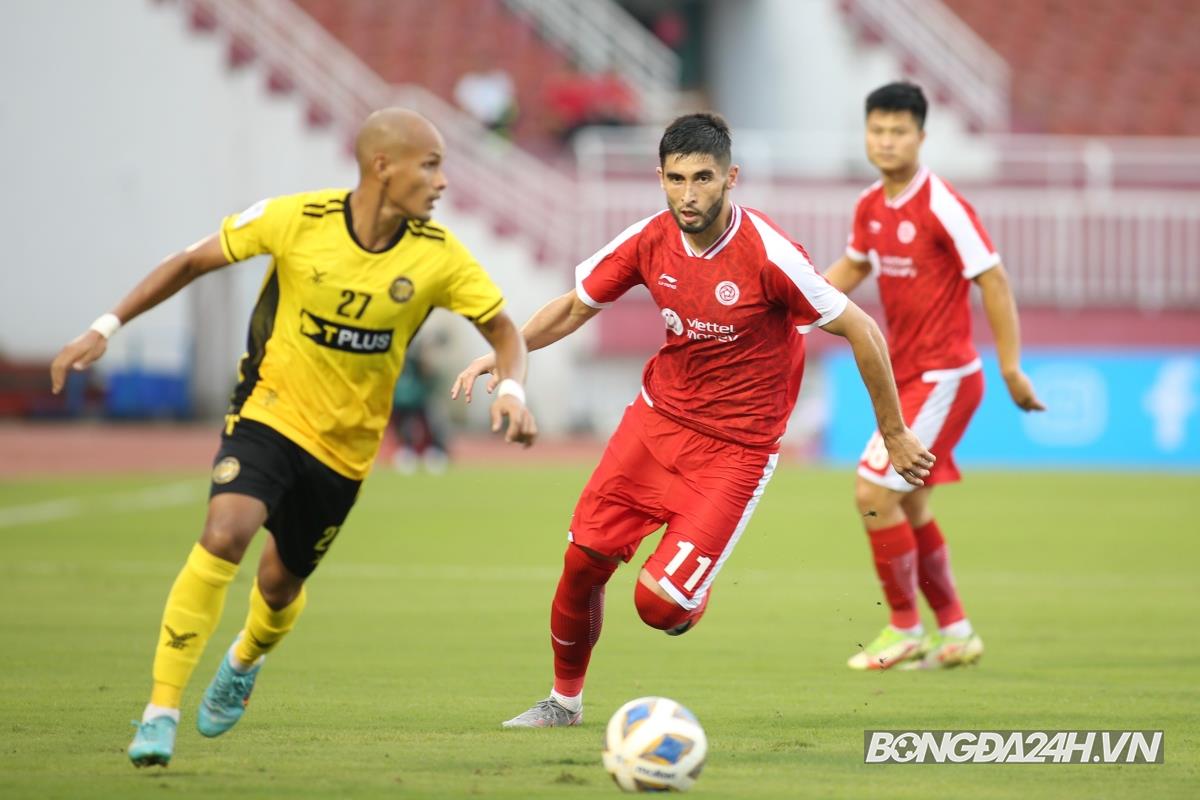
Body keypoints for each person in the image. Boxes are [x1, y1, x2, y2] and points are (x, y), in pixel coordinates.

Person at [49, 108, 537, 767]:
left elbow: (504, 331)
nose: (442, 181)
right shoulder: (297, 219)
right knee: (224, 533)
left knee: (279, 587)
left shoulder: (439, 256)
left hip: (346, 450)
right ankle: (160, 711)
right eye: (430, 166)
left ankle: (244, 659)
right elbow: (191, 261)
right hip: (268, 414)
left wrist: (511, 390)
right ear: (382, 166)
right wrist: (104, 328)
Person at [452, 113, 933, 728]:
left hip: (736, 452)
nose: (688, 194)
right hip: (654, 427)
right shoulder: (649, 240)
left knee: (657, 607)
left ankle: (685, 595)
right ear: (660, 177)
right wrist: (506, 352)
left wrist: (894, 432)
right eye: (676, 179)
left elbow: (862, 329)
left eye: (703, 178)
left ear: (731, 178)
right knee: (582, 563)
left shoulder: (769, 254)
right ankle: (563, 703)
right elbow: (574, 308)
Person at [825, 82, 1044, 671]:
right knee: (911, 506)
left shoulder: (943, 204)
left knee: (873, 493)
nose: (886, 141)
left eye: (898, 131)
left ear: (922, 137)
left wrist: (1011, 366)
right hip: (908, 378)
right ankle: (956, 630)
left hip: (944, 377)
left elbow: (992, 278)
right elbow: (853, 266)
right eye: (877, 130)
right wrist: (795, 303)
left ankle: (904, 627)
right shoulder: (870, 204)